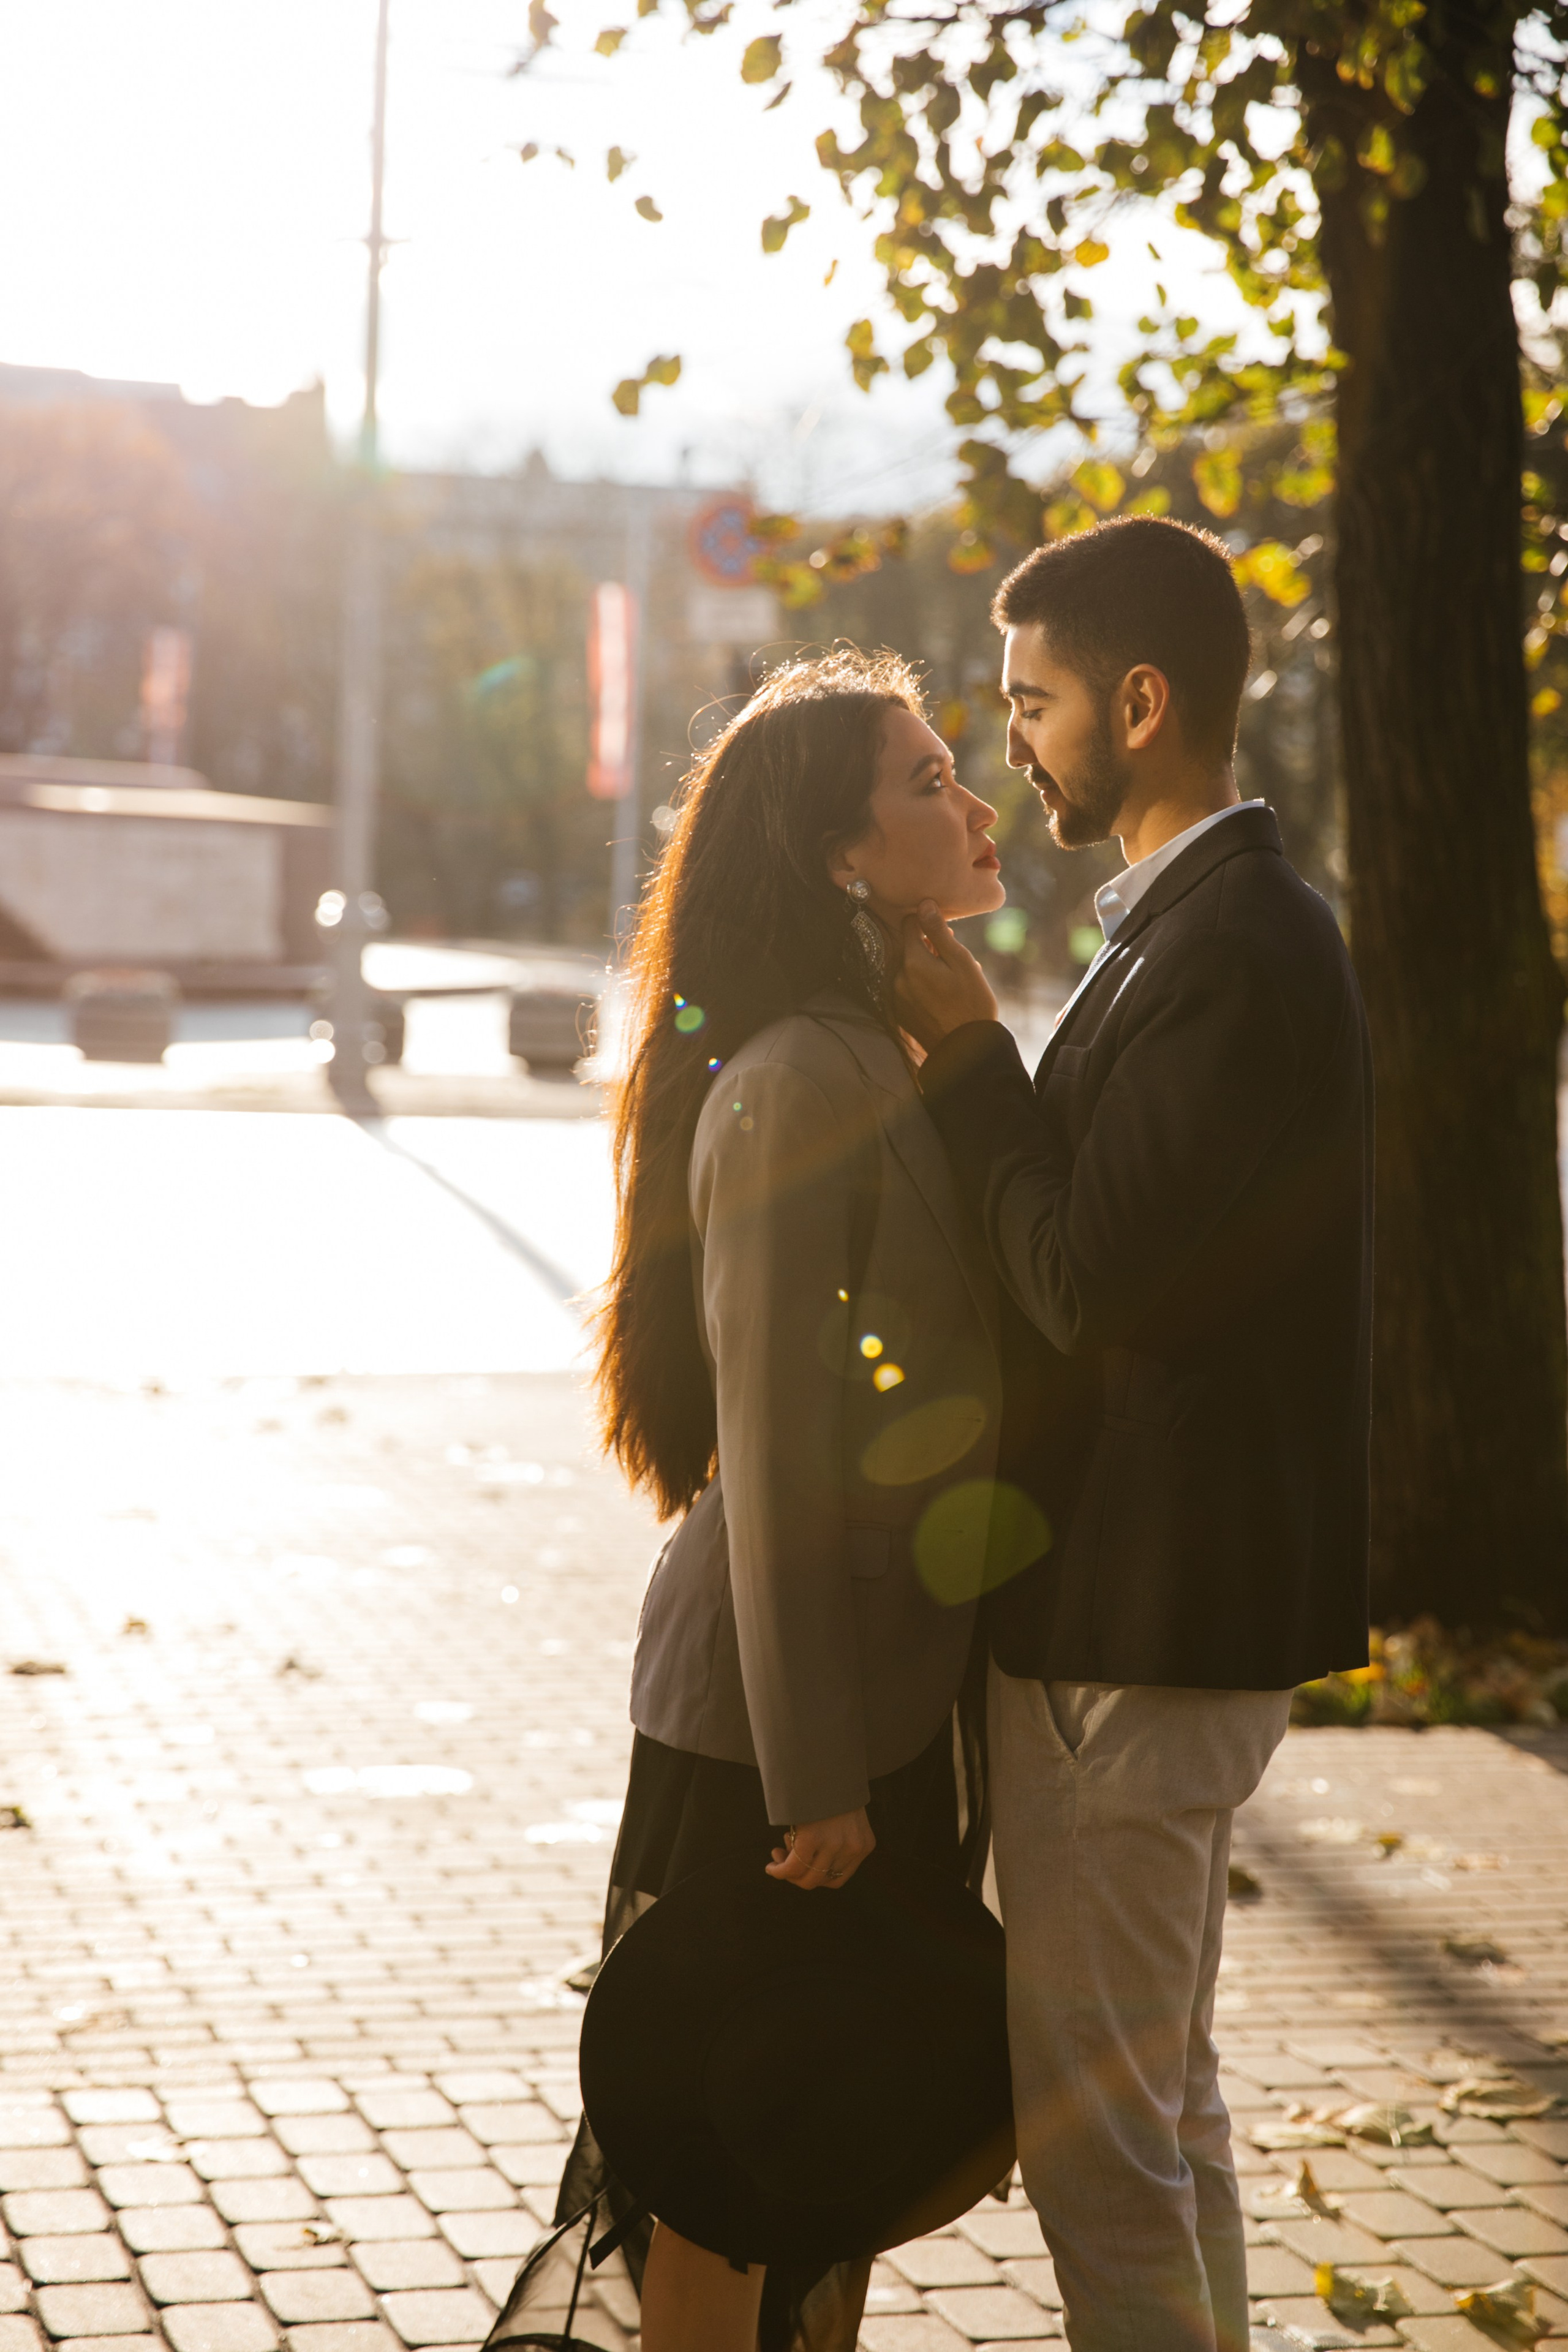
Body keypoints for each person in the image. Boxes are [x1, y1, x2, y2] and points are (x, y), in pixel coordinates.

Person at [892, 516, 1373, 2352]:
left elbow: (1086, 1284)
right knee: (1162, 2110)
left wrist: (964, 1062)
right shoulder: (1196, 928)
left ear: (1143, 703)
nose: (1014, 740)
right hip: (1154, 1626)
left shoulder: (1236, 944)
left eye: (1035, 703)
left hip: (1140, 1633)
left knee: (1100, 2143)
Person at [567, 647, 1010, 2352]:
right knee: (728, 2176)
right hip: (778, 1743)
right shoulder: (801, 1077)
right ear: (838, 855)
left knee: (837, 2150)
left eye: (960, 767)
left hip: (867, 1719)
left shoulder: (876, 1048)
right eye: (925, 782)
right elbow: (775, 1447)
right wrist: (820, 1782)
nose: (970, 804)